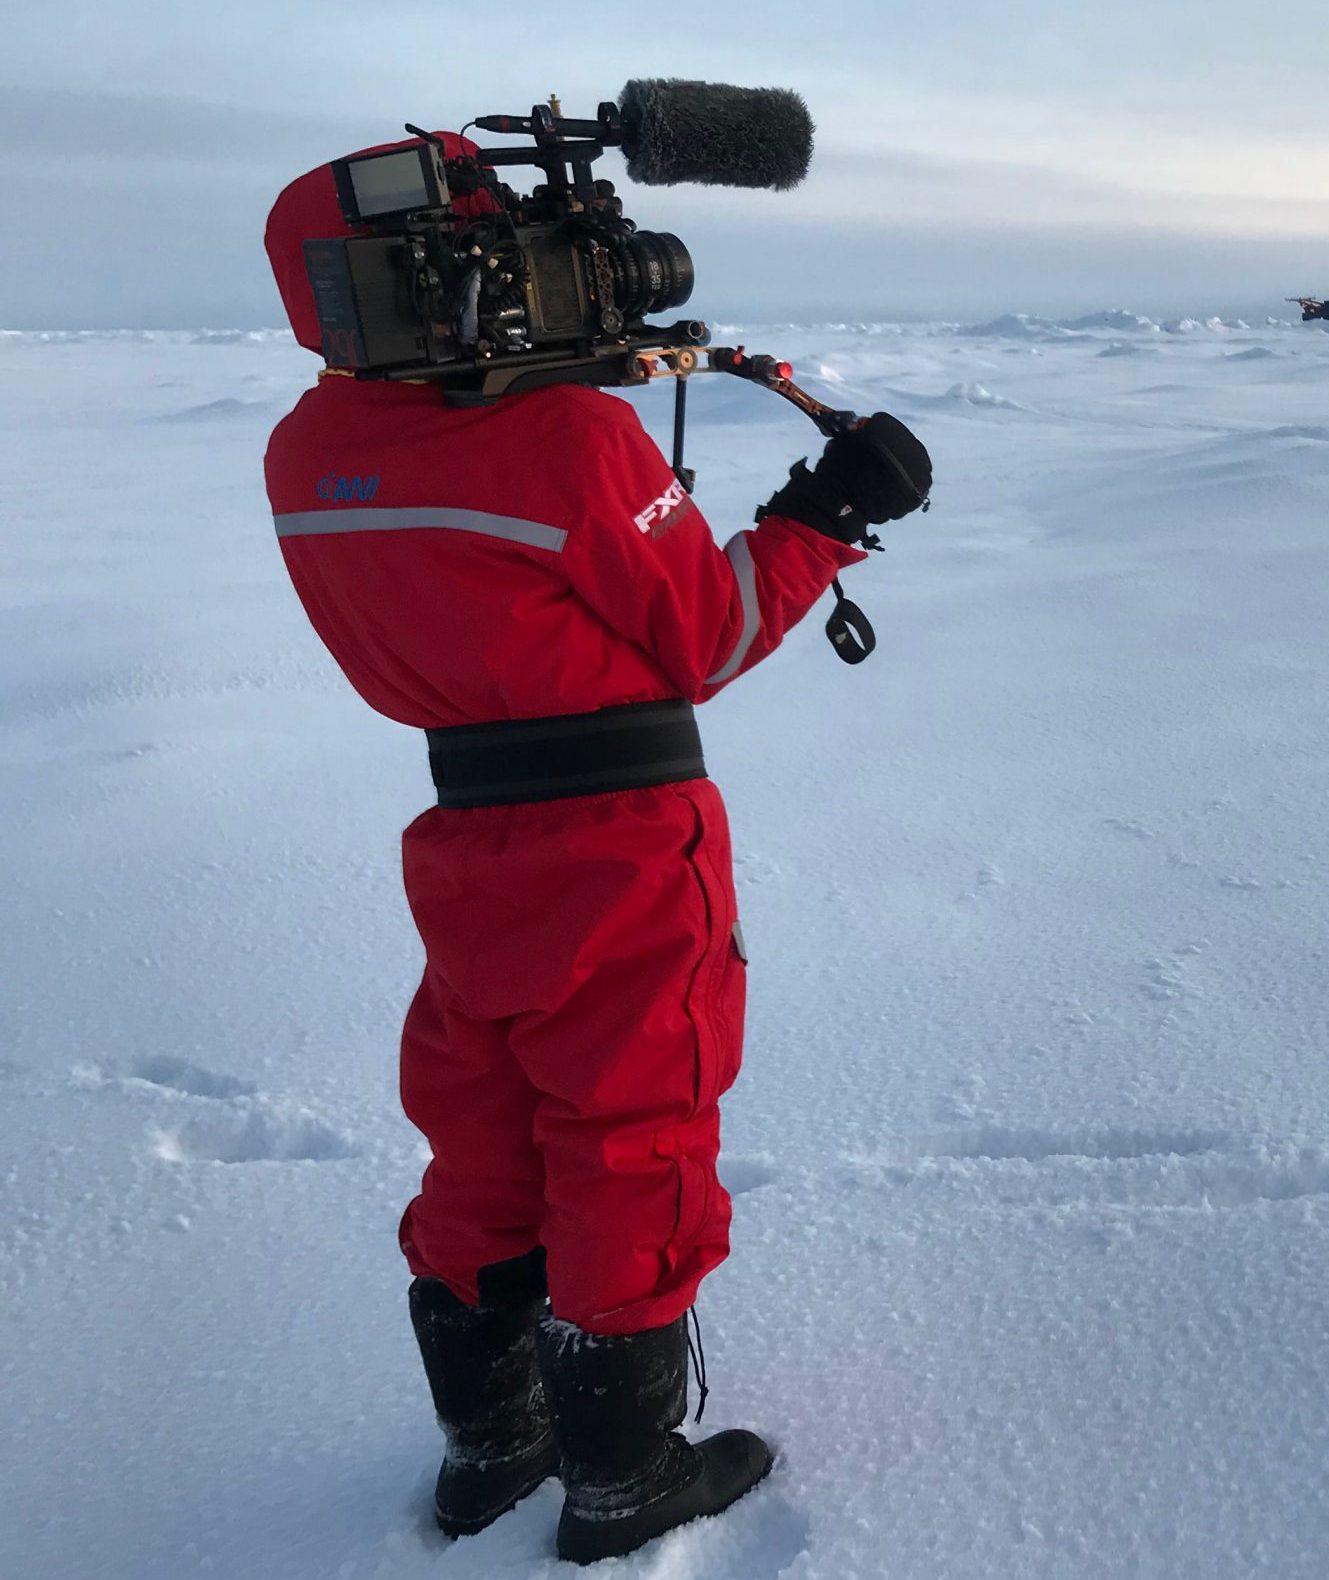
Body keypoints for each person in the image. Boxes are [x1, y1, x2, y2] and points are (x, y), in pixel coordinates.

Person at [258, 134, 930, 1564]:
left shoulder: (307, 454)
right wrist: (831, 516)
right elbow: (709, 633)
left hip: (463, 836)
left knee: (484, 1119)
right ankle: (624, 1479)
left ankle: (489, 1447)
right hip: (623, 838)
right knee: (633, 1124)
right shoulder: (568, 441)